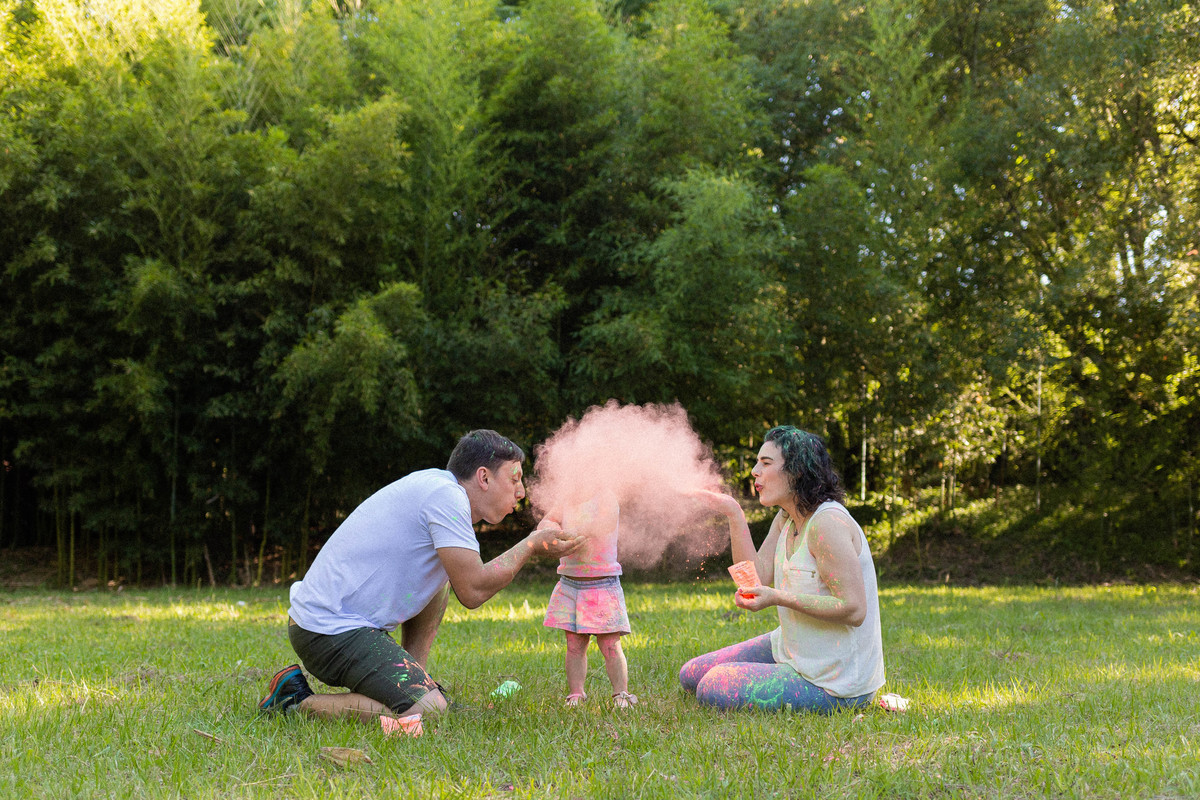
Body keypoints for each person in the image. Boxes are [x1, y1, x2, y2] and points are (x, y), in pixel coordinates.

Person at [257, 429, 581, 724]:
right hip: (327, 631)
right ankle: (295, 703)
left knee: (439, 582)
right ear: (483, 477)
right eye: (515, 479)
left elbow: (456, 583)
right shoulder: (446, 498)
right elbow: (472, 591)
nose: (521, 492)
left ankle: (415, 678)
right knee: (429, 713)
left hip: (334, 625)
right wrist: (528, 547)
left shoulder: (439, 489)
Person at [680, 425, 885, 714]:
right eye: (756, 463)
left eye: (765, 463)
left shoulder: (828, 523)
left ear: (797, 471)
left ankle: (848, 698)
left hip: (836, 681)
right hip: (793, 651)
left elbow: (853, 609)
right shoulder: (786, 517)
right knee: (691, 673)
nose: (754, 471)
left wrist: (777, 596)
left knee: (713, 685)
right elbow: (756, 580)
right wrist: (733, 513)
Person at [538, 488, 637, 709]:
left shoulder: (605, 496)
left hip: (602, 583)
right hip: (570, 583)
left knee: (610, 644)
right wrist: (552, 530)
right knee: (574, 645)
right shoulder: (566, 497)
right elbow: (546, 522)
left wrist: (573, 531)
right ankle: (576, 694)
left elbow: (605, 523)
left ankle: (621, 694)